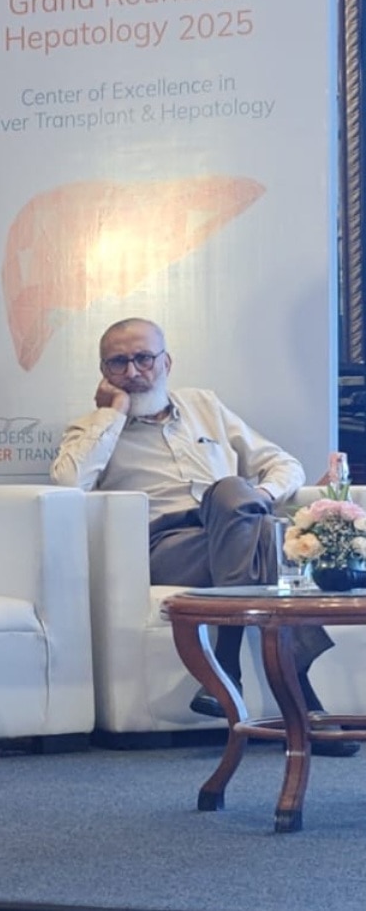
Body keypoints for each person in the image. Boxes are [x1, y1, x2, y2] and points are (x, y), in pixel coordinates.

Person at [50, 315, 358, 757]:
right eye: (118, 363)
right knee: (251, 522)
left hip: (234, 528)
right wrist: (111, 413)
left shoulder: (204, 406)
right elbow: (67, 485)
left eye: (143, 358)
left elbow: (284, 464)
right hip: (169, 545)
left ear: (166, 362)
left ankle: (232, 670)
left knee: (234, 498)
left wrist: (260, 496)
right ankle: (295, 699)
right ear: (103, 372)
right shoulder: (91, 428)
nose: (133, 372)